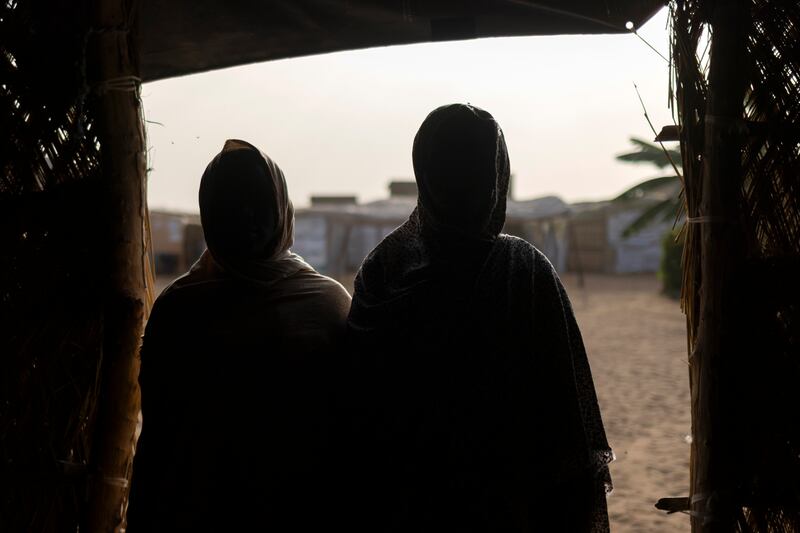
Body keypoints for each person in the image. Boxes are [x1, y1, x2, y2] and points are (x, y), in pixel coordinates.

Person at [345, 104, 613, 532]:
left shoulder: (382, 270)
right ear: (496, 177)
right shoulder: (523, 271)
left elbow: (356, 421)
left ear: (424, 172)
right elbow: (567, 435)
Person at [127, 140, 351, 532]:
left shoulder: (326, 304)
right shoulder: (179, 311)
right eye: (230, 203)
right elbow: (158, 442)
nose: (245, 214)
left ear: (280, 207)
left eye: (256, 200)